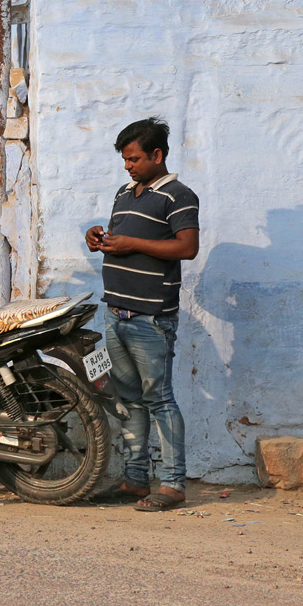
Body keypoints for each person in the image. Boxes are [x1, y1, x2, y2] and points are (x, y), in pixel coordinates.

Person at [84, 117, 199, 511]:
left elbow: (187, 248)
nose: (128, 166)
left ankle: (172, 484)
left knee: (159, 399)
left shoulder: (178, 195)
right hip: (116, 313)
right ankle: (135, 480)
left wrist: (132, 243)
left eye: (134, 159)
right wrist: (97, 238)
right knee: (130, 400)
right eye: (125, 159)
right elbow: (121, 240)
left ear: (157, 154)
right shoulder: (124, 193)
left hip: (151, 318)